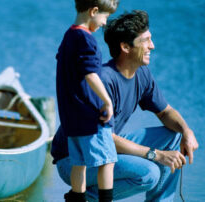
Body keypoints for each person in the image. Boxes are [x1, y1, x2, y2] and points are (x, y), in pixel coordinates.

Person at [52, 10, 199, 202]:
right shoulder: (103, 80)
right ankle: (82, 198)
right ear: (125, 47)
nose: (152, 46)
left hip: (106, 145)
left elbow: (165, 112)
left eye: (151, 39)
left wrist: (187, 131)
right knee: (149, 173)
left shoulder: (142, 74)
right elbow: (104, 138)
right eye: (145, 41)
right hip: (74, 160)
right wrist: (156, 155)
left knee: (174, 134)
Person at [55, 0, 119, 201]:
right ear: (93, 11)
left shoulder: (69, 36)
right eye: (105, 18)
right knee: (107, 161)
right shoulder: (86, 39)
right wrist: (107, 101)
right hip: (89, 116)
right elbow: (91, 74)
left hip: (70, 117)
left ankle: (77, 199)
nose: (105, 23)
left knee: (79, 162)